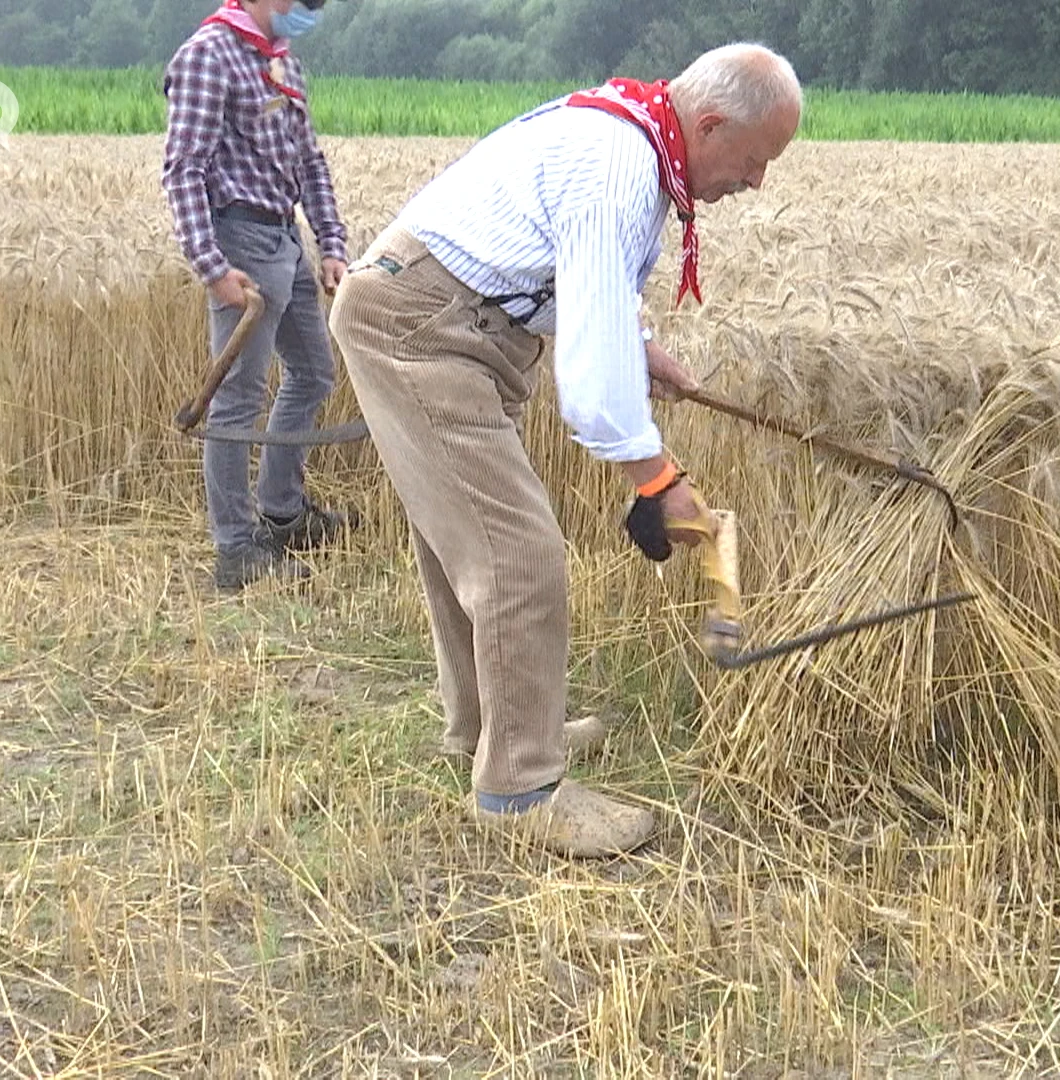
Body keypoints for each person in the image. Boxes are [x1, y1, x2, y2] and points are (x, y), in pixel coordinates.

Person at [328, 42, 803, 859]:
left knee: (464, 542)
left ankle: (491, 728)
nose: (755, 182)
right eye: (756, 160)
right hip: (422, 330)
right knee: (519, 556)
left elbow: (588, 287)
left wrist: (636, 341)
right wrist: (657, 479)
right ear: (713, 123)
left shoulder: (633, 141)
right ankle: (519, 788)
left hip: (455, 325)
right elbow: (588, 386)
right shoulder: (618, 167)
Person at [161, 0, 356, 592]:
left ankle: (282, 513)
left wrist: (330, 242)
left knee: (314, 373)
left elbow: (310, 162)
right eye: (304, 4)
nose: (308, 14)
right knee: (237, 402)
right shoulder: (207, 56)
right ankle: (236, 549)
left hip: (286, 238)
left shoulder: (283, 64)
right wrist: (211, 266)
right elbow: (183, 169)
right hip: (238, 242)